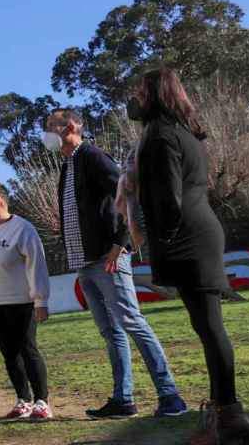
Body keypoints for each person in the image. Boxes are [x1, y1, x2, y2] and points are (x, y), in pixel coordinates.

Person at [132, 68, 249, 445]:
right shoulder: (184, 132)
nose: (135, 98)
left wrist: (163, 240)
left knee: (210, 327)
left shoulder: (161, 135)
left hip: (187, 238)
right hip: (198, 231)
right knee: (207, 327)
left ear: (154, 94)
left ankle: (231, 418)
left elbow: (168, 199)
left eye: (139, 91)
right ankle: (224, 414)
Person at [44, 108, 188, 419]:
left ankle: (171, 396)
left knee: (133, 323)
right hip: (85, 263)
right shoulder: (68, 166)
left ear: (69, 126)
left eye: (50, 126)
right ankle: (123, 400)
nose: (46, 134)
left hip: (107, 260)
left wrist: (119, 244)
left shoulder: (93, 157)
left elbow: (129, 197)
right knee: (111, 332)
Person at [0, 183, 52, 420]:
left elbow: (36, 264)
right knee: (9, 354)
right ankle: (23, 400)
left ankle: (42, 401)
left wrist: (40, 300)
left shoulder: (23, 229)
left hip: (22, 301)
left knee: (28, 349)